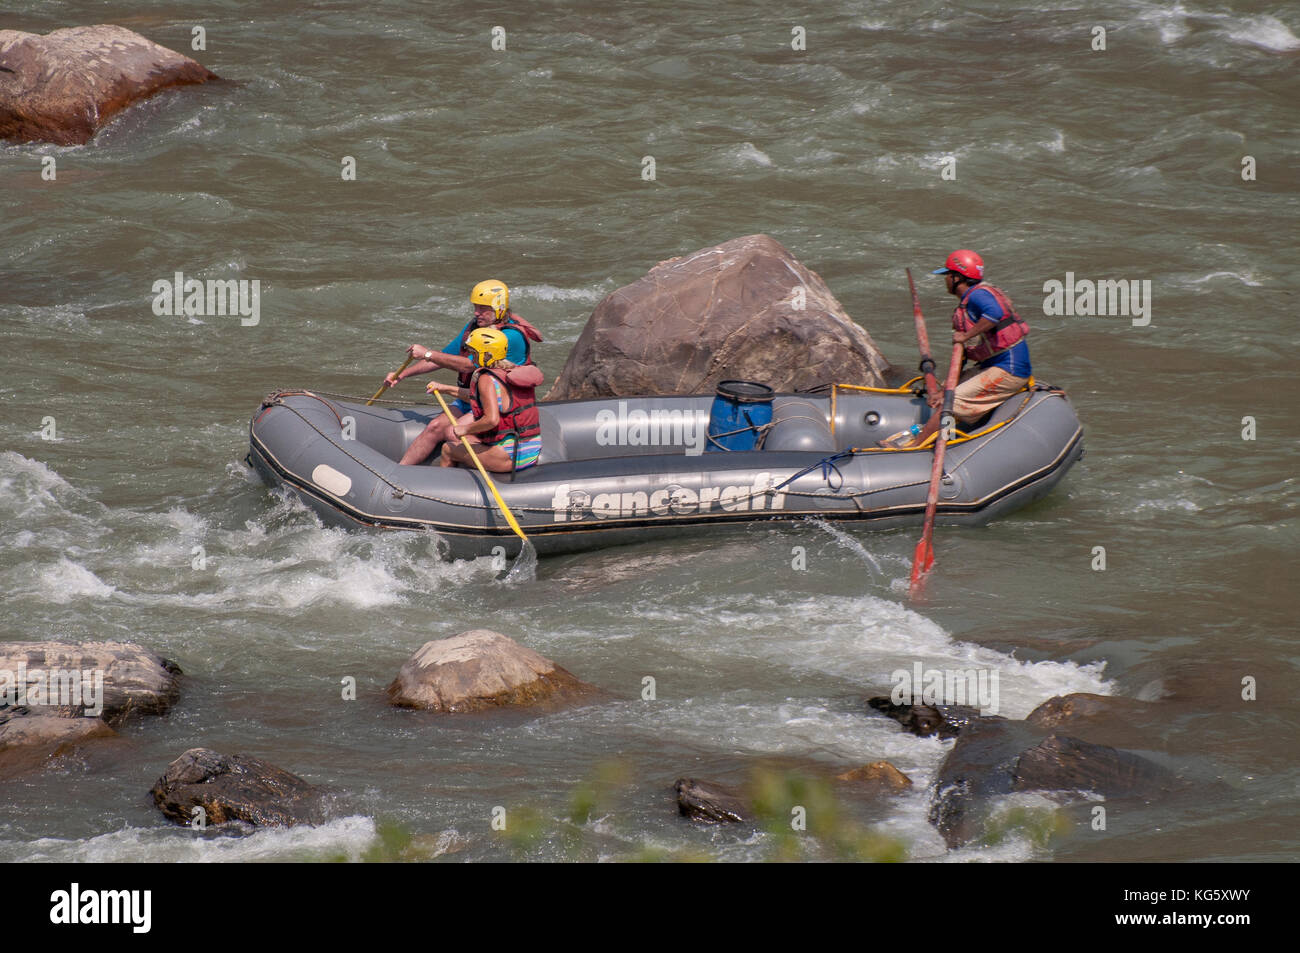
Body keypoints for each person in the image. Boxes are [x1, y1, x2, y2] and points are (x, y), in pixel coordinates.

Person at [382, 279, 543, 465]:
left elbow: (469, 365)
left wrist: (427, 353)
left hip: (497, 404)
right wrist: (401, 375)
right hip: (471, 398)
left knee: (453, 433)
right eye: (475, 307)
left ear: (498, 308)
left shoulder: (509, 337)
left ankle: (467, 476)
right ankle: (400, 473)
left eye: (483, 308)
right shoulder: (475, 327)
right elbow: (443, 357)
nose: (476, 312)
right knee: (435, 426)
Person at [891, 249, 1031, 449]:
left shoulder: (978, 296)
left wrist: (966, 335)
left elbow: (995, 313)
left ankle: (916, 447)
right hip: (993, 365)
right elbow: (963, 357)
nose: (946, 280)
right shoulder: (968, 304)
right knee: (947, 393)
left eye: (948, 275)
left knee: (952, 400)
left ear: (957, 278)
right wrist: (945, 387)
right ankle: (941, 435)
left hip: (1009, 369)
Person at [427, 328, 542, 473]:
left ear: (486, 355)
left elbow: (491, 420)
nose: (472, 358)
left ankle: (444, 490)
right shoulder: (510, 370)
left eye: (474, 353)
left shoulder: (486, 378)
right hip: (531, 452)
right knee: (465, 440)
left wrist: (465, 428)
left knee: (448, 449)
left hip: (509, 456)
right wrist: (444, 388)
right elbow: (479, 397)